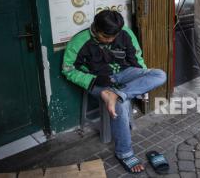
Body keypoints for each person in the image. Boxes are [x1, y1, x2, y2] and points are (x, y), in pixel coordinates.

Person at [62, 10, 167, 173]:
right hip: (97, 80)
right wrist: (92, 81)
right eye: (106, 37)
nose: (110, 40)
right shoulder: (79, 41)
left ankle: (117, 94)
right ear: (96, 29)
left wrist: (142, 83)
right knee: (119, 106)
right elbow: (68, 70)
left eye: (114, 37)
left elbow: (136, 58)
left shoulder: (125, 33)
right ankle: (124, 153)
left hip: (124, 74)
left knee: (159, 74)